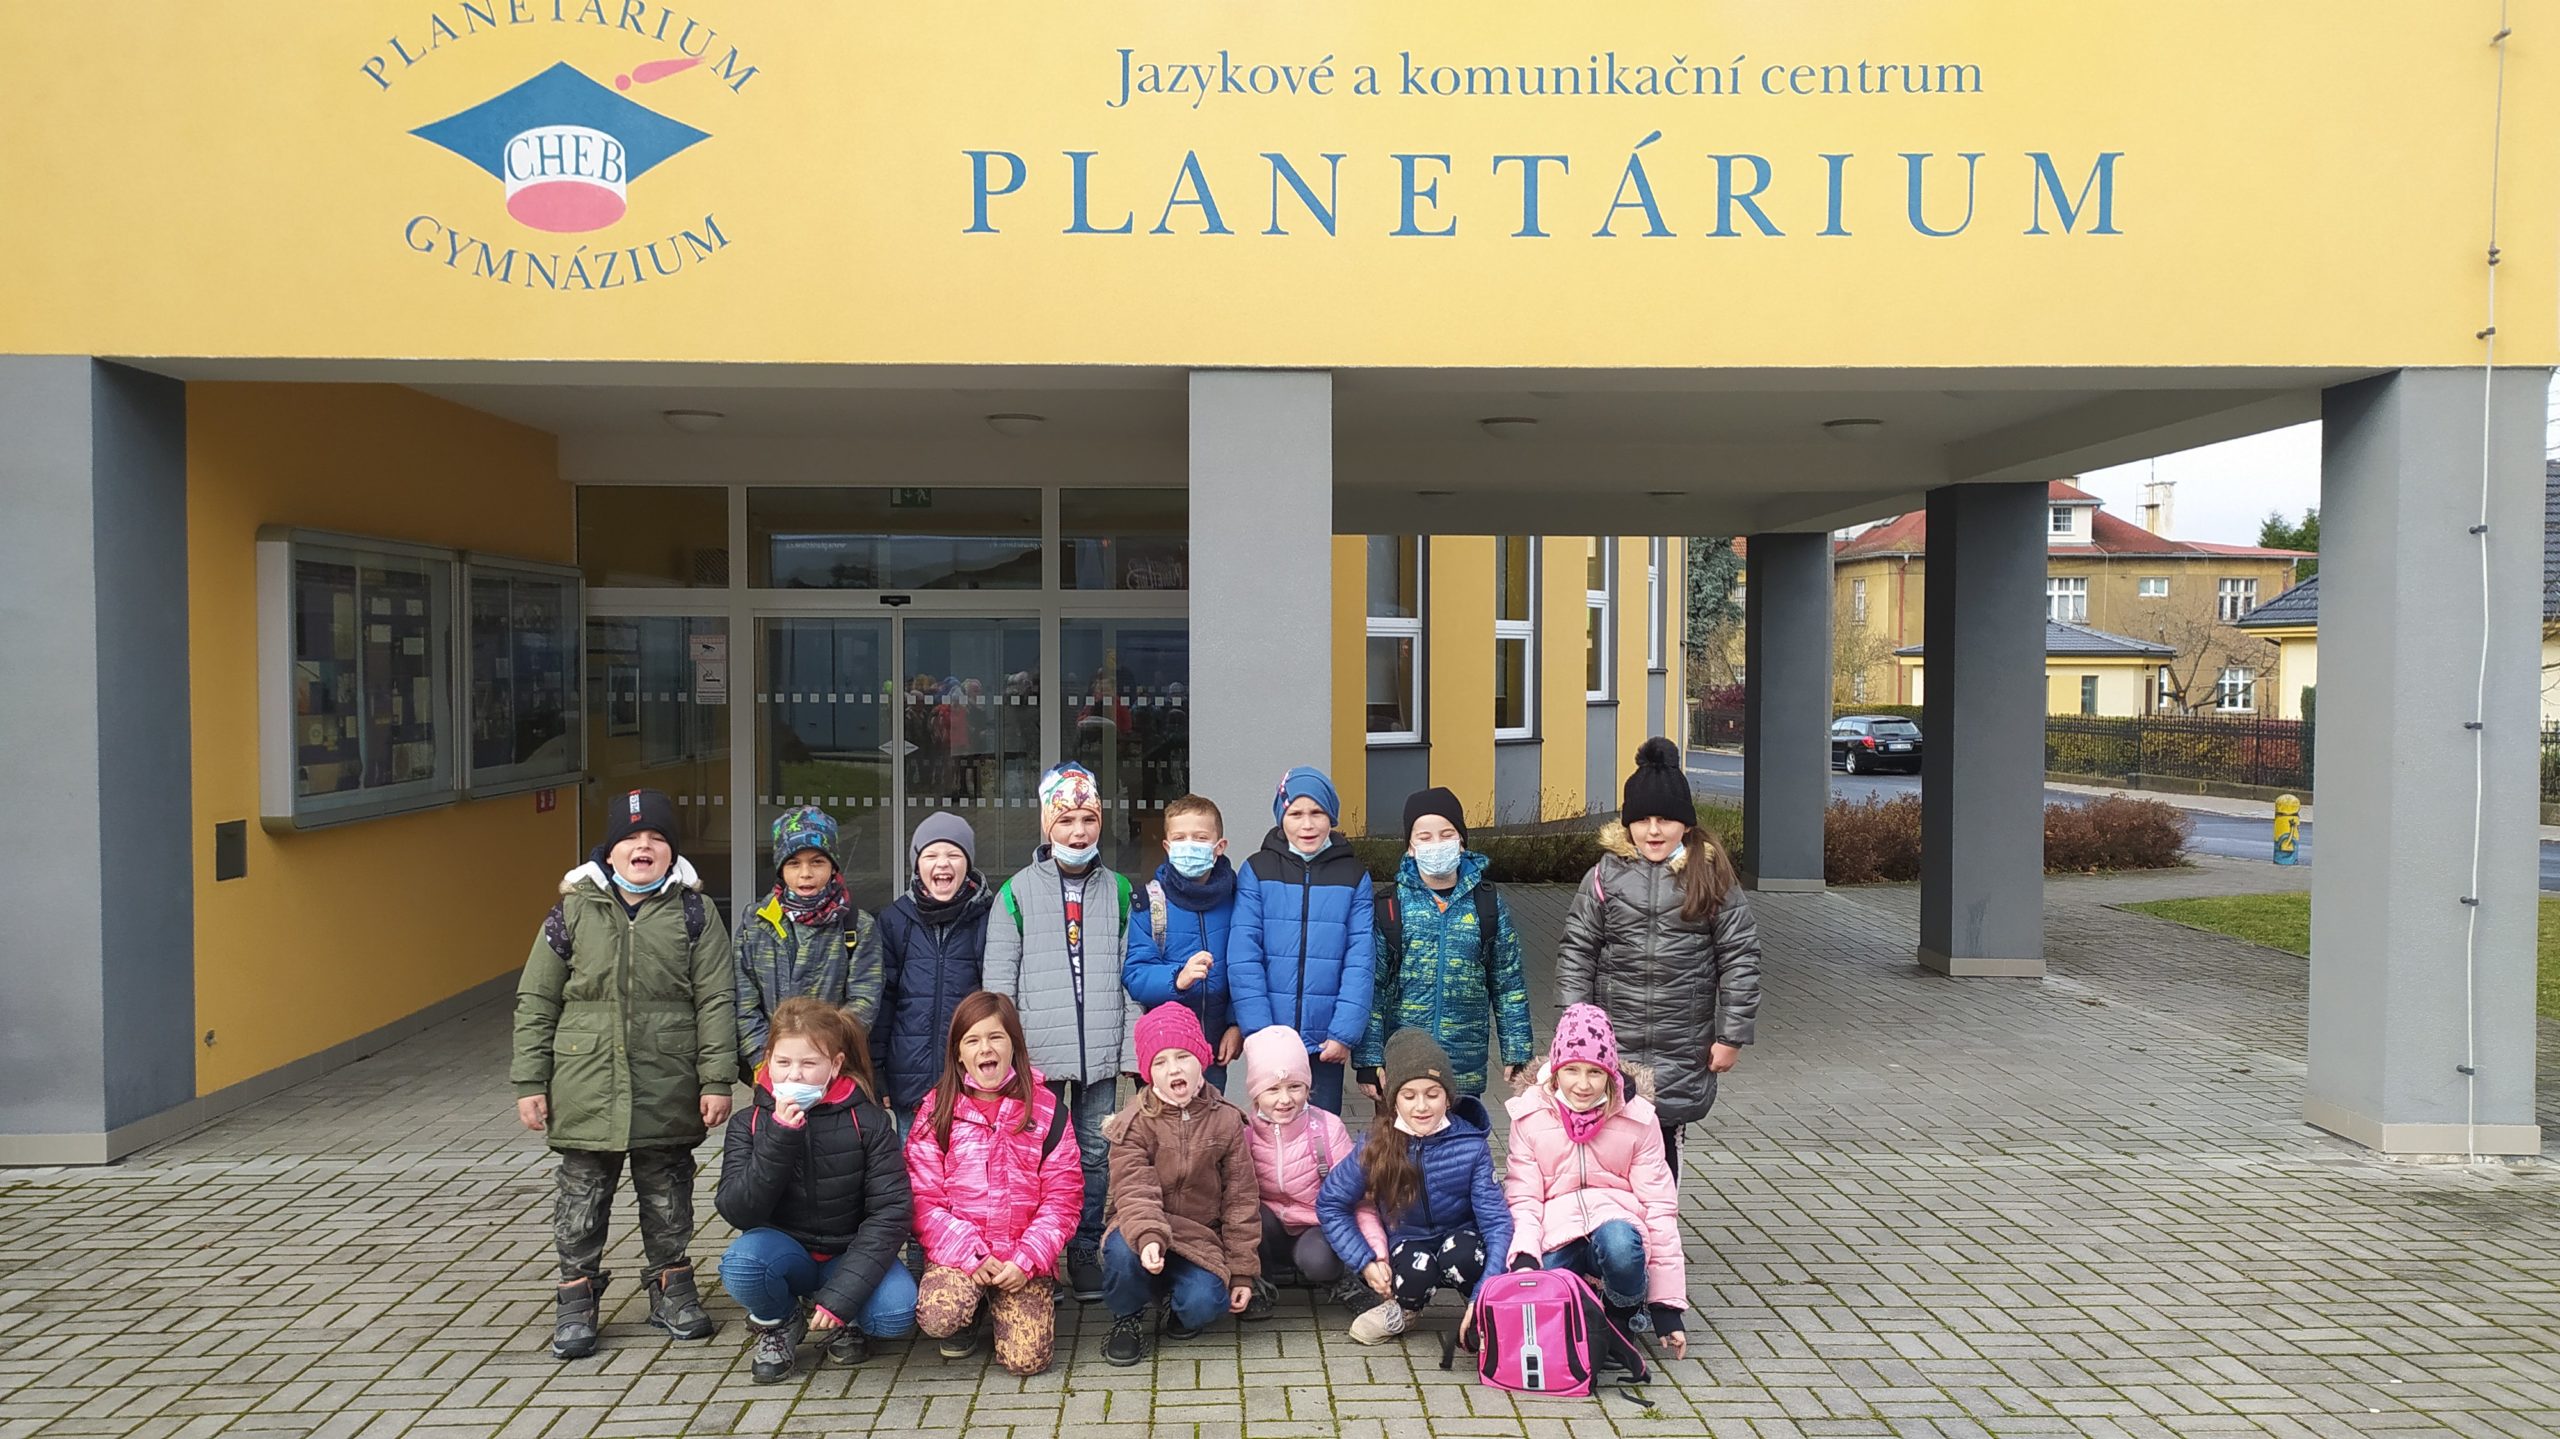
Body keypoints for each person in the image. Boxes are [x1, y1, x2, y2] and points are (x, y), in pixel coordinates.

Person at [511, 787, 736, 1361]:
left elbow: (716, 999)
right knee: (582, 1197)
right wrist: (530, 1081)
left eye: (657, 838)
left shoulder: (694, 912)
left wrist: (715, 1079)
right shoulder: (571, 911)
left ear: (671, 851)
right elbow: (536, 999)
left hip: (667, 1079)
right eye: (631, 838)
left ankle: (671, 1288)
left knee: (669, 1193)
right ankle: (576, 1297)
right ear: (609, 851)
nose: (644, 847)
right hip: (584, 1081)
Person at [1556, 737, 1763, 1169]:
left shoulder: (1711, 878)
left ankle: (1661, 1214)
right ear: (1627, 825)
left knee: (1664, 1144)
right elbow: (1578, 950)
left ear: (1685, 825)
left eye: (1665, 820)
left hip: (1682, 1044)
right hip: (1615, 1041)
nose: (1653, 830)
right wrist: (1575, 1024)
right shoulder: (1604, 877)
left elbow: (1740, 957)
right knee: (1610, 1145)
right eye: (1643, 820)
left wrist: (1731, 1036)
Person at [982, 761, 1135, 1303]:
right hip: (1037, 1057)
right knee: (1038, 1156)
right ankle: (1039, 1255)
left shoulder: (1120, 891)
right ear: (1047, 824)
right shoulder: (1015, 893)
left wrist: (1130, 1052)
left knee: (1095, 1154)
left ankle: (1085, 1248)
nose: (1078, 831)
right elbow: (998, 988)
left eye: (1088, 819)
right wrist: (1004, 1057)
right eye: (1066, 820)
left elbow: (1131, 975)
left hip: (1100, 1055)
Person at [714, 997, 916, 1383]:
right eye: (783, 1062)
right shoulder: (748, 1123)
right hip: (786, 1253)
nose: (795, 1075)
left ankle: (845, 1318)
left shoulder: (869, 1121)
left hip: (849, 1252)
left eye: (809, 1064)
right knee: (741, 1264)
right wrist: (779, 1138)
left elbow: (891, 1213)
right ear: (767, 1060)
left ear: (835, 1065)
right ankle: (782, 1320)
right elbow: (738, 1211)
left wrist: (843, 1298)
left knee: (895, 1313)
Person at [903, 991, 1085, 1375]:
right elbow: (922, 1198)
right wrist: (970, 1254)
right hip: (961, 1255)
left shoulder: (1047, 1110)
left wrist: (1028, 1258)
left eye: (995, 1037)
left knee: (1028, 1360)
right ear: (958, 1054)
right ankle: (971, 1310)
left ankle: (1004, 1302)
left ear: (1013, 1044)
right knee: (938, 1315)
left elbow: (1063, 1197)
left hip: (1021, 1259)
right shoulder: (937, 1110)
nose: (985, 1048)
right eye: (972, 1040)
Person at [1501, 1004, 1689, 1357]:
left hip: (1616, 1223)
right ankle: (1582, 1306)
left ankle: (1622, 1315)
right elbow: (1523, 1197)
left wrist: (1667, 1306)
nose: (1583, 1084)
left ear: (1611, 1074)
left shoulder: (1639, 1118)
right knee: (1547, 1281)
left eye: (1595, 1072)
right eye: (1571, 1070)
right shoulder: (1530, 1115)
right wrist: (1525, 1254)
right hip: (1556, 1230)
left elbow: (1659, 1207)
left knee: (1620, 1247)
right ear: (1555, 1071)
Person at [1315, 1031, 1512, 1346]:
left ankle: (1479, 1308)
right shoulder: (1374, 1146)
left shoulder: (1471, 1145)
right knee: (1414, 1272)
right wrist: (1364, 1261)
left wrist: (1485, 1292)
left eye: (1432, 1094)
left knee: (1464, 1256)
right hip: (1407, 1240)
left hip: (1461, 1238)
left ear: (1448, 1097)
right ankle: (1406, 1308)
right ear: (1393, 1098)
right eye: (1409, 1096)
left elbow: (1497, 1222)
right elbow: (1331, 1203)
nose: (1421, 1106)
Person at [1097, 1005, 1260, 1365]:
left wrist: (1242, 1273)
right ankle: (1127, 1316)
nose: (1173, 1069)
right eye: (1160, 1062)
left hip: (1198, 1237)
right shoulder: (1134, 1122)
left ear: (1201, 1058)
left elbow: (1240, 1200)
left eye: (1183, 1056)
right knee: (1122, 1252)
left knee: (1205, 1303)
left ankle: (1175, 1300)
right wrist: (1150, 1237)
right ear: (1148, 1072)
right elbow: (1134, 1190)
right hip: (1140, 1226)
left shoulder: (1226, 1120)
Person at [1359, 786, 1534, 1101]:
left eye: (1446, 834)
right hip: (1403, 1069)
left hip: (1463, 1069)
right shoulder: (1390, 905)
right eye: (1424, 837)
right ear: (1410, 847)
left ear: (1461, 841)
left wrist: (1518, 1051)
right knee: (1401, 1135)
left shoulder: (1487, 903)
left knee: (1463, 1134)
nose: (1436, 844)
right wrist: (1368, 1060)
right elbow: (1373, 988)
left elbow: (1508, 983)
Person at [1229, 766, 1375, 1115]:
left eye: (1317, 813)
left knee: (1323, 1131)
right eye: (1295, 814)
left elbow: (1360, 959)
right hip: (1271, 1035)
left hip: (1325, 1041)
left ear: (1331, 817)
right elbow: (1244, 953)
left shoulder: (1353, 876)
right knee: (1271, 1128)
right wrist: (1258, 1030)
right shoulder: (1257, 870)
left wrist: (1344, 1033)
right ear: (1281, 817)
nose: (1307, 825)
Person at [1240, 1025, 1378, 1320]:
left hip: (1316, 1224)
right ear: (1255, 1093)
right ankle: (1257, 1281)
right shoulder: (1244, 1132)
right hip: (1268, 1228)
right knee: (1247, 1212)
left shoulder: (1327, 1128)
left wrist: (1370, 1257)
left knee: (1319, 1261)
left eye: (1295, 1087)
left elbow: (1354, 1195)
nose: (1285, 1099)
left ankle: (1340, 1280)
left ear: (1308, 1087)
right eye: (1272, 1089)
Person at [735, 805, 883, 1072]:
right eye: (794, 863)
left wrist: (824, 1057)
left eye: (817, 862)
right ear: (781, 869)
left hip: (835, 1067)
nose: (805, 873)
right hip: (772, 1068)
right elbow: (745, 1002)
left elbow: (864, 1001)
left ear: (833, 866)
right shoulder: (756, 923)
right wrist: (764, 1061)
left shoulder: (857, 926)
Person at [874, 812, 994, 1114]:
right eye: (930, 855)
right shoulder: (894, 920)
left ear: (968, 863)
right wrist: (875, 1070)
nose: (942, 863)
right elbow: (883, 1002)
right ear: (917, 865)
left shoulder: (989, 918)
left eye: (954, 854)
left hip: (971, 1078)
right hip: (909, 1081)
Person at [1122, 793, 1242, 1091]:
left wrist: (1237, 1024)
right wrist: (1178, 978)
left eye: (1200, 838)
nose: (1189, 845)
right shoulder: (1151, 902)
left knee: (1211, 1117)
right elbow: (1135, 974)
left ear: (1219, 846)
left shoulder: (1238, 898)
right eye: (1180, 838)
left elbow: (1247, 967)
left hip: (1215, 1047)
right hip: (1166, 1052)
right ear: (1167, 846)